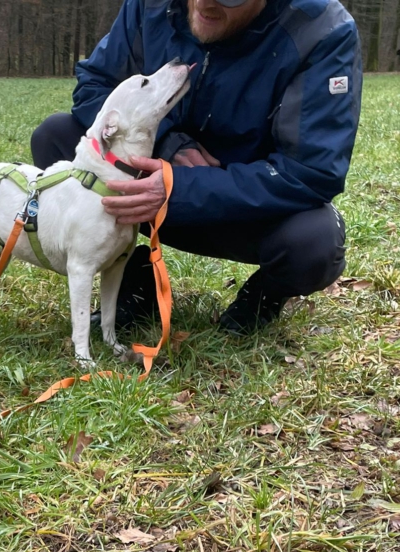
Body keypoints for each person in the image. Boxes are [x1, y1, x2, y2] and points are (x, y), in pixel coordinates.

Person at [30, 0, 362, 334]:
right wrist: (166, 142)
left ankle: (263, 297)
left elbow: (311, 170)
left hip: (244, 208)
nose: (204, 3)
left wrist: (181, 188)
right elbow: (96, 83)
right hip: (145, 186)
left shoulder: (321, 30)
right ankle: (131, 276)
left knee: (314, 243)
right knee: (56, 138)